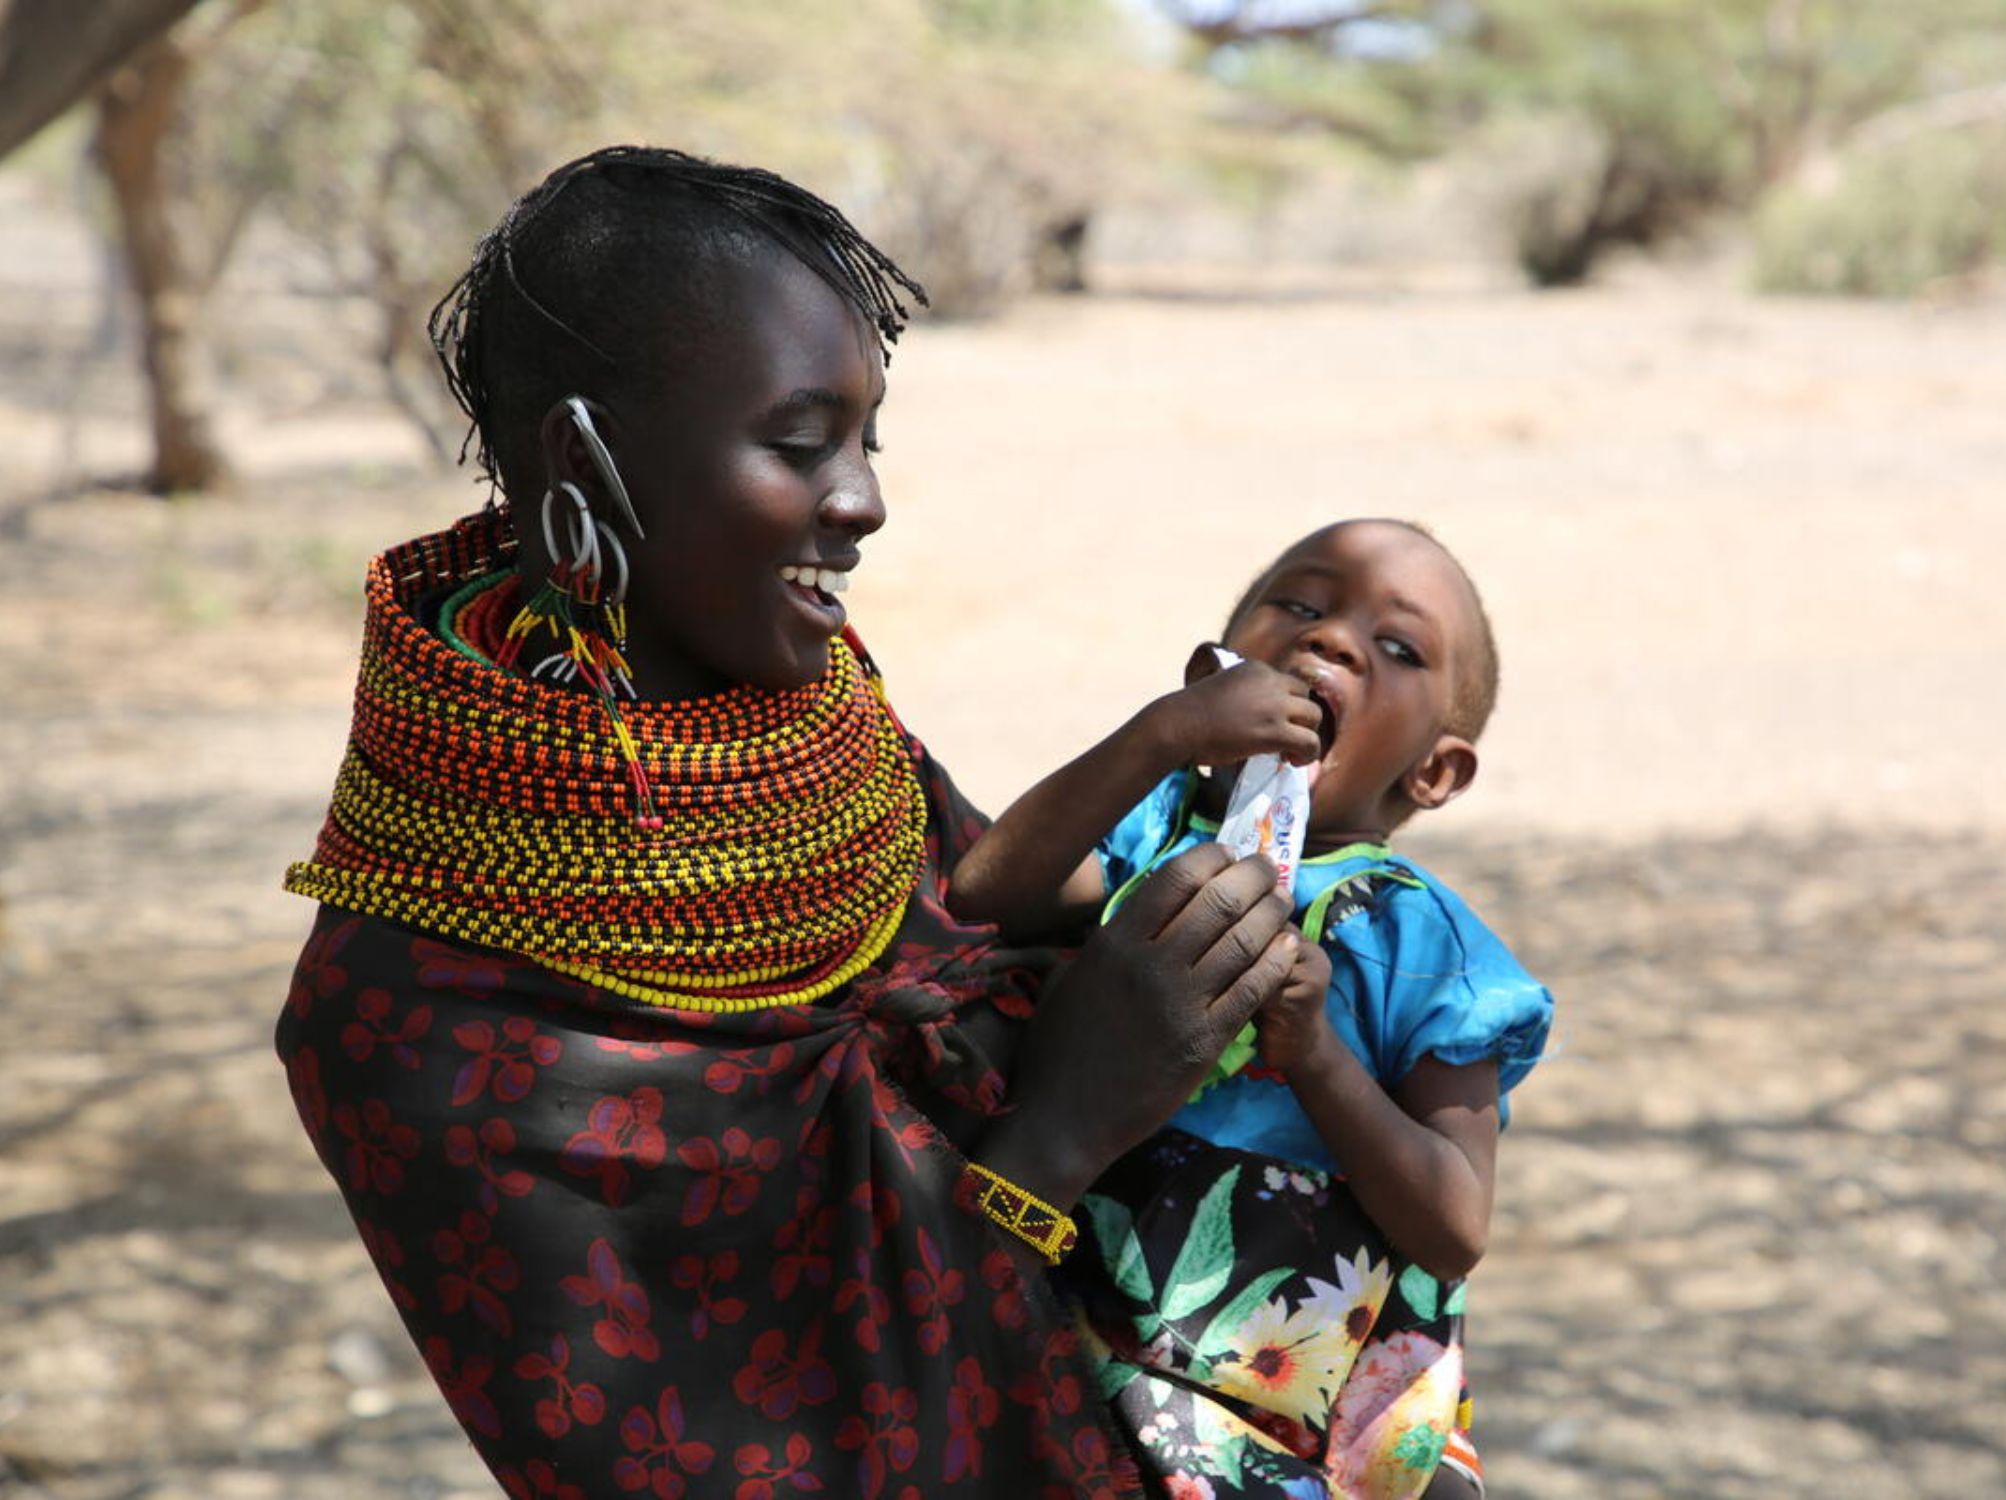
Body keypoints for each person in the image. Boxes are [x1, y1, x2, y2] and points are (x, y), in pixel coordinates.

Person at [274, 145, 1309, 1500]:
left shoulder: (813, 721)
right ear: (585, 457)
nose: (865, 500)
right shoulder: (414, 1023)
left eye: (866, 438)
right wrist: (1059, 1130)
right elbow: (738, 1462)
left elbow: (993, 912)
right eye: (797, 438)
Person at [947, 519, 1554, 1498]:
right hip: (1082, 1343)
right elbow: (983, 894)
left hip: (1282, 1393)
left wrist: (1315, 1056)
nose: (1330, 642)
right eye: (1299, 607)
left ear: (1432, 771)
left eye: (1395, 649)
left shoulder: (1427, 952)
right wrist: (1156, 736)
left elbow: (1453, 1226)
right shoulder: (1150, 831)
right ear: (1215, 666)